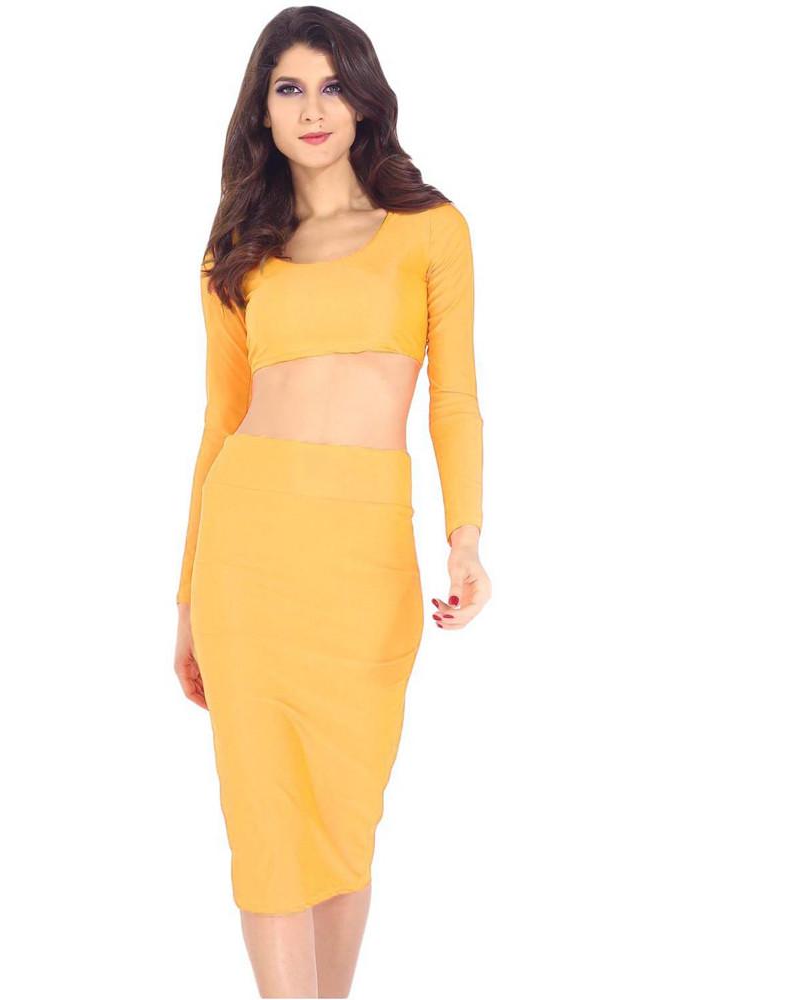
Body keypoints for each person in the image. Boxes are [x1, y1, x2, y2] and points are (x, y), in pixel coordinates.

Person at [173, 8, 492, 996]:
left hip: (363, 558)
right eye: (288, 89)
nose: (312, 108)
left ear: (362, 101)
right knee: (265, 819)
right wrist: (185, 602)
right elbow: (219, 424)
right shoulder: (235, 251)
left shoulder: (431, 230)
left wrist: (466, 539)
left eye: (330, 85)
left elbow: (454, 398)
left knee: (345, 817)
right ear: (262, 113)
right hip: (247, 551)